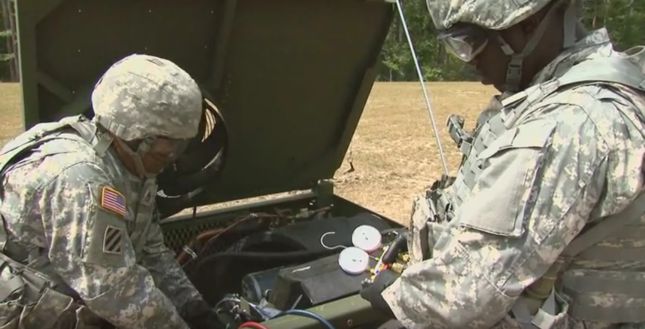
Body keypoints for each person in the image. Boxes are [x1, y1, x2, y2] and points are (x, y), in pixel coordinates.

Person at [360, 0, 645, 328]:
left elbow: (463, 297)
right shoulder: (599, 84)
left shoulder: (567, 124)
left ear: (527, 24)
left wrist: (393, 293)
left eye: (469, 42)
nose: (469, 61)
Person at [0, 54, 224, 329]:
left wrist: (195, 309)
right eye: (171, 147)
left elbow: (152, 253)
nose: (174, 158)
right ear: (138, 137)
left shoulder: (132, 165)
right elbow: (116, 292)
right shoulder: (79, 179)